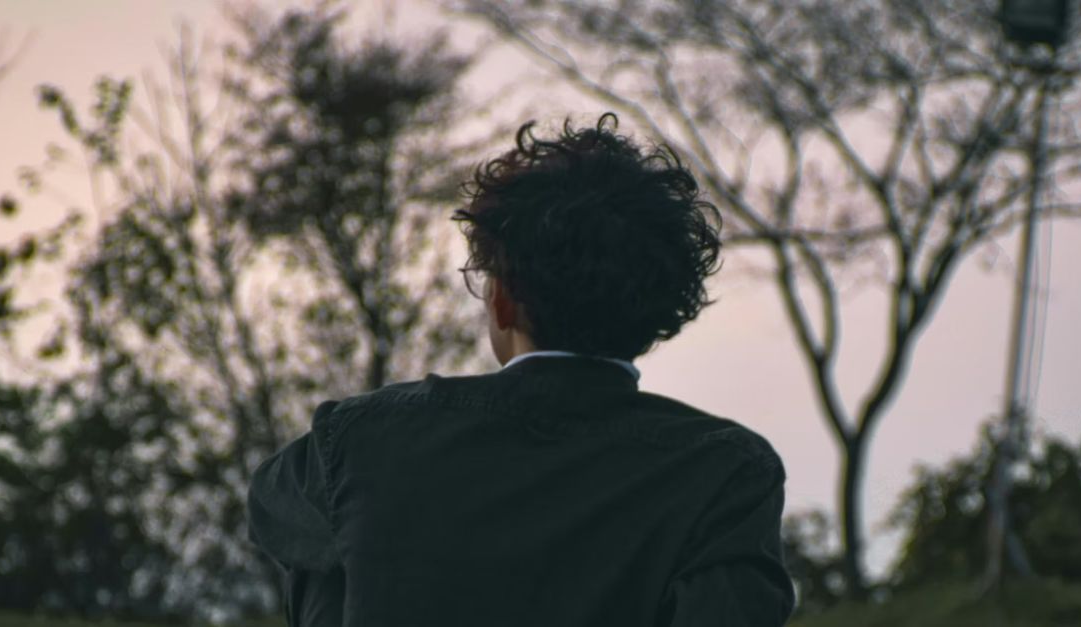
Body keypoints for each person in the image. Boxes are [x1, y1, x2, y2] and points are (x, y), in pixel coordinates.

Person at [247, 113, 795, 626]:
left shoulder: (358, 441)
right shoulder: (723, 473)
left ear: (504, 300)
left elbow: (269, 513)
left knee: (331, 557)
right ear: (658, 311)